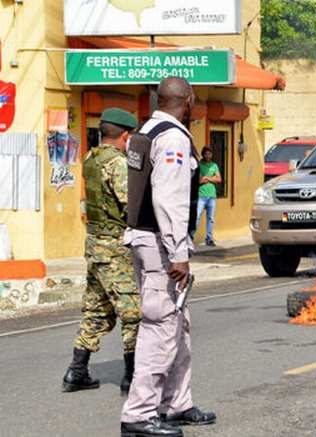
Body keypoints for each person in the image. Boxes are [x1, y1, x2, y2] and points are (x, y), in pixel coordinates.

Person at [121, 77, 215, 437]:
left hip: (146, 238)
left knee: (178, 324)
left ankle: (176, 403)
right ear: (188, 101)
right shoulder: (173, 138)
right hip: (161, 244)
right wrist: (178, 252)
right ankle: (139, 414)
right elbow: (167, 197)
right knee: (160, 327)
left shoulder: (145, 130)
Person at [62, 108, 141, 395]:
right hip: (114, 249)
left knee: (96, 309)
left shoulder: (90, 159)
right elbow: (129, 204)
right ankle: (132, 377)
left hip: (94, 245)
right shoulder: (118, 164)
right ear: (124, 135)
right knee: (133, 312)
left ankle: (77, 371)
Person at [194, 146, 221, 246]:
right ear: (203, 154)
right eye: (206, 153)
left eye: (210, 153)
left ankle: (209, 238)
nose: (208, 155)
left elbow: (219, 179)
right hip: (201, 195)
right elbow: (199, 180)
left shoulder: (214, 165)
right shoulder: (199, 165)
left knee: (211, 218)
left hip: (212, 195)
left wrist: (208, 178)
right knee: (197, 217)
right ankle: (191, 237)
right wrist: (211, 177)